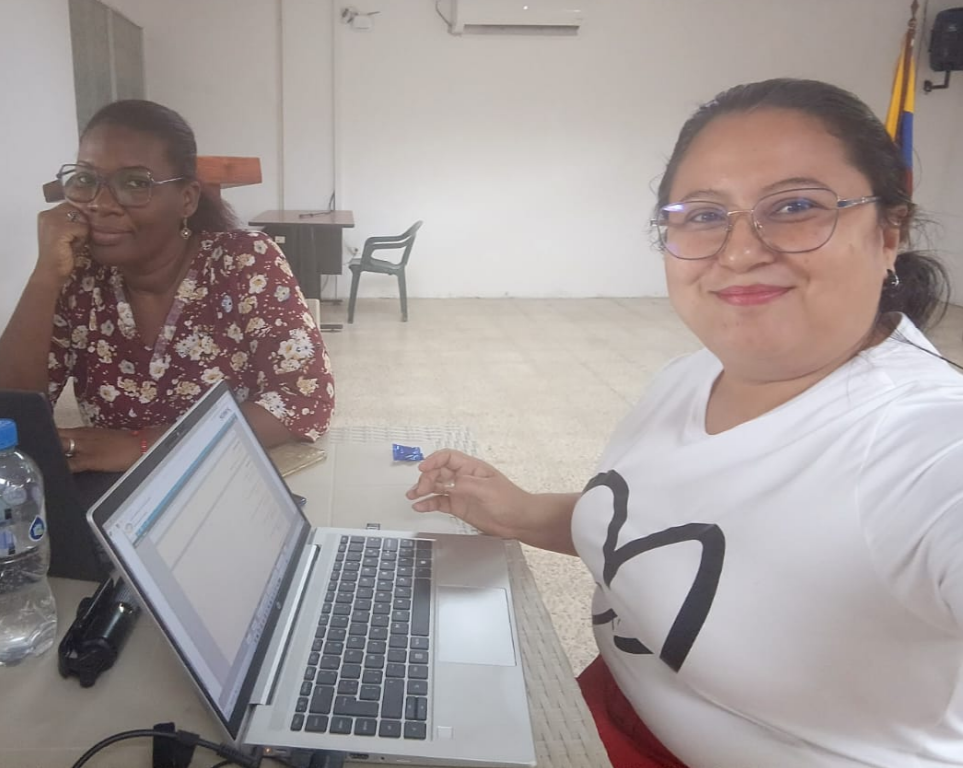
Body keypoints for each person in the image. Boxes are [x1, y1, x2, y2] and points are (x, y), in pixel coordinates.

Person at [408, 79, 963, 767]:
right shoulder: (691, 375)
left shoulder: (926, 445)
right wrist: (519, 511)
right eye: (703, 215)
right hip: (598, 712)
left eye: (795, 206)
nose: (740, 251)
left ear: (888, 232)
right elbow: (662, 525)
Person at [0, 100, 335, 472]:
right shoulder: (79, 277)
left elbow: (304, 401)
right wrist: (44, 277)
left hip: (224, 479)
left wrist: (144, 446)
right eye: (85, 180)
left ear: (186, 199)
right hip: (114, 494)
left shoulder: (242, 261)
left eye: (135, 183)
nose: (100, 204)